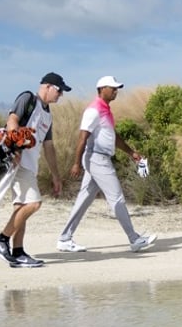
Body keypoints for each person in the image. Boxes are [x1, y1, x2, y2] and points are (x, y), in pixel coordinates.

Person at [57, 75, 157, 254]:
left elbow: (113, 137)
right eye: (112, 88)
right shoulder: (93, 110)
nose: (116, 91)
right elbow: (82, 137)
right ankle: (134, 239)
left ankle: (64, 238)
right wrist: (76, 163)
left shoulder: (105, 110)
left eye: (116, 88)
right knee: (117, 197)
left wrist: (131, 152)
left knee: (84, 199)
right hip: (97, 159)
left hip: (99, 158)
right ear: (102, 89)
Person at [0, 72, 70, 268]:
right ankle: (1, 239)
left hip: (30, 166)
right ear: (48, 86)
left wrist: (55, 175)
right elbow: (12, 121)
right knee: (34, 204)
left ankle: (18, 252)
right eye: (59, 91)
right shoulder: (28, 99)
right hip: (18, 162)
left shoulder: (48, 115)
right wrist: (13, 147)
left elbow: (49, 146)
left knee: (21, 207)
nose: (60, 96)